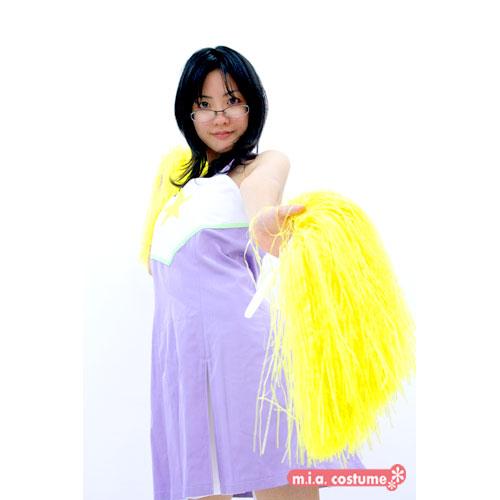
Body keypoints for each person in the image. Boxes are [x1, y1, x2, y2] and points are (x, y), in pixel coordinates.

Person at [142, 46, 364, 500]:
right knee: (201, 483)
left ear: (252, 105)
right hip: (181, 356)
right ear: (188, 112)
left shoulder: (262, 164)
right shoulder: (176, 179)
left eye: (233, 101)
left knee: (275, 476)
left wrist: (264, 219)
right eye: (205, 105)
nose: (220, 117)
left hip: (243, 351)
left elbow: (262, 193)